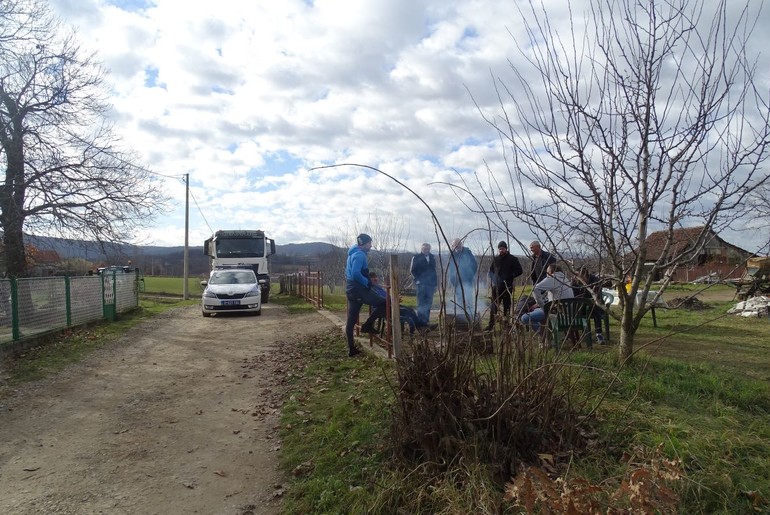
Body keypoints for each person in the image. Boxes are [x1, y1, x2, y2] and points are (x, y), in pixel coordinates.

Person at [344, 233, 386, 357]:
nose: (371, 245)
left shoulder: (351, 254)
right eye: (369, 243)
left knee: (351, 319)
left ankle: (351, 349)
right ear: (364, 244)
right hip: (359, 290)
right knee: (384, 302)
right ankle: (367, 325)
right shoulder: (360, 255)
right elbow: (356, 273)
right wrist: (367, 282)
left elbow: (349, 273)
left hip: (351, 289)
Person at [369, 273, 436, 334]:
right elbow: (380, 301)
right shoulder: (372, 289)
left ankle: (422, 327)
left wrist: (395, 298)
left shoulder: (379, 287)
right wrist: (394, 300)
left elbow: (387, 296)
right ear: (369, 279)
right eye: (373, 278)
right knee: (408, 312)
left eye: (376, 277)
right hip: (384, 309)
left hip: (391, 305)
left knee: (411, 310)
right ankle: (421, 328)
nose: (375, 279)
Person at [520, 263, 574, 334]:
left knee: (525, 318)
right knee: (536, 310)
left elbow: (535, 289)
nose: (546, 274)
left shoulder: (553, 278)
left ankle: (545, 333)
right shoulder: (566, 279)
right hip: (569, 313)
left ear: (551, 272)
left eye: (547, 272)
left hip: (556, 313)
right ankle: (547, 330)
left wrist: (542, 305)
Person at [485, 241, 523, 331]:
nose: (501, 250)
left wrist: (510, 276)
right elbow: (491, 271)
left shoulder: (513, 259)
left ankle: (506, 326)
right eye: (500, 249)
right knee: (494, 307)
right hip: (497, 287)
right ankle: (491, 326)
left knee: (507, 307)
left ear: (506, 249)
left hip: (507, 287)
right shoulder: (496, 259)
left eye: (502, 248)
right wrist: (494, 280)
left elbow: (519, 271)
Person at [571, 266, 607, 344]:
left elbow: (598, 296)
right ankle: (574, 334)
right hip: (581, 306)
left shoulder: (594, 280)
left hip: (594, 305)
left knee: (595, 307)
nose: (578, 278)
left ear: (585, 275)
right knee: (572, 308)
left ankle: (599, 334)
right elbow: (573, 296)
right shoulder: (575, 282)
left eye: (580, 277)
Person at [447, 238, 479, 321]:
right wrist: (452, 279)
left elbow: (474, 265)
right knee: (459, 299)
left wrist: (470, 275)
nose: (457, 246)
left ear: (461, 244)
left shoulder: (467, 252)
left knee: (468, 299)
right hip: (457, 281)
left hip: (467, 280)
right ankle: (461, 318)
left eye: (459, 244)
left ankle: (471, 317)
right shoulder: (451, 255)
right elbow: (450, 269)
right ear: (453, 246)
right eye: (455, 245)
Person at [410, 243, 437, 325]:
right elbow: (412, 271)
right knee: (421, 303)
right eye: (424, 249)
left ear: (430, 249)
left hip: (431, 285)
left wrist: (435, 285)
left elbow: (434, 271)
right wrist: (417, 281)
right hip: (421, 284)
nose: (426, 250)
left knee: (428, 303)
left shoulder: (432, 257)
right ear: (421, 249)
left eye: (428, 249)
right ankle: (420, 322)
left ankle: (426, 321)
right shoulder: (416, 257)